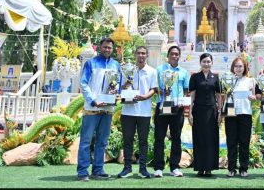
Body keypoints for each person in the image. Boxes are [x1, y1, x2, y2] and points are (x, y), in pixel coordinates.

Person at [77, 38, 121, 181]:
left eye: (109, 47)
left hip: (107, 108)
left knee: (102, 141)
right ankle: (82, 172)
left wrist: (118, 95)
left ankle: (98, 170)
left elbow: (117, 84)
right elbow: (83, 83)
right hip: (92, 107)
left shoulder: (116, 65)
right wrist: (93, 100)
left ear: (112, 49)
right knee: (86, 141)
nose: (107, 49)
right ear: (100, 48)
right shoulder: (91, 63)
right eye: (105, 47)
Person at [117, 46, 158, 179]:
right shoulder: (127, 69)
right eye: (139, 53)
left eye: (143, 53)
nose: (141, 55)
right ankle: (127, 168)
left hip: (144, 112)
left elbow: (154, 89)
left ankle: (143, 168)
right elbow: (119, 87)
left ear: (147, 56)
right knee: (127, 140)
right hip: (128, 111)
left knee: (143, 141)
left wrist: (145, 97)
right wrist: (125, 85)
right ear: (135, 55)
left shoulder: (152, 71)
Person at [153, 45, 190, 178]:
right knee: (159, 137)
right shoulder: (159, 70)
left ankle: (174, 167)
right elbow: (155, 87)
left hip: (177, 108)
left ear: (179, 56)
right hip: (162, 106)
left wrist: (183, 101)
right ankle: (158, 167)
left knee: (176, 138)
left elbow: (186, 90)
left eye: (176, 54)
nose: (174, 56)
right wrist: (163, 91)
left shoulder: (184, 72)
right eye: (172, 54)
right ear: (167, 56)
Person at [188, 53, 221, 177]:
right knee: (199, 138)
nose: (206, 64)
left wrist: (220, 112)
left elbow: (218, 96)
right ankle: (200, 168)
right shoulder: (195, 77)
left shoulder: (216, 77)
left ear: (212, 63)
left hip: (212, 111)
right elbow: (192, 96)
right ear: (200, 63)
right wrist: (190, 113)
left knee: (211, 139)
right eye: (204, 61)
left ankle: (209, 168)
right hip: (198, 111)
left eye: (208, 62)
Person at [224, 57, 256, 177]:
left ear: (244, 67)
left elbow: (254, 96)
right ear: (233, 67)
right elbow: (222, 95)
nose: (238, 68)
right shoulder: (227, 79)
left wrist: (253, 97)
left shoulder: (250, 81)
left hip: (245, 113)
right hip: (230, 113)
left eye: (240, 66)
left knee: (244, 142)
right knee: (231, 142)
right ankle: (231, 169)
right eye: (236, 66)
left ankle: (243, 168)